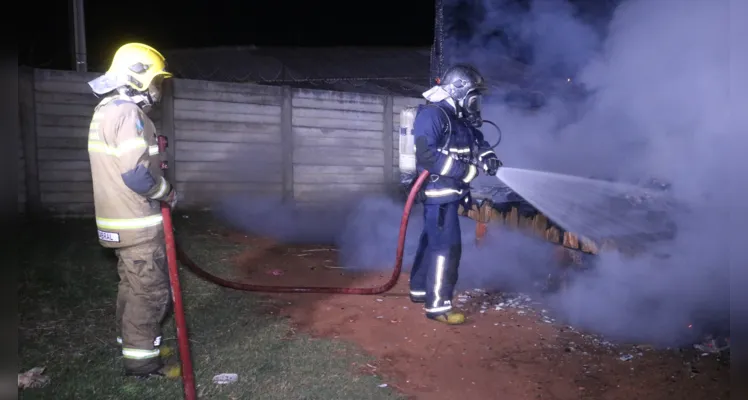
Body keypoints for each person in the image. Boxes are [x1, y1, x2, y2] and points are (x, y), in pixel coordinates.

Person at [86, 43, 179, 378]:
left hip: (116, 223)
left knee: (131, 287)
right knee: (150, 292)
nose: (157, 90)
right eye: (155, 82)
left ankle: (137, 343)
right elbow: (137, 175)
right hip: (136, 223)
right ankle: (142, 362)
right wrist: (166, 192)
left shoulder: (106, 110)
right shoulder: (128, 114)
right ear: (137, 77)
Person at [408, 63, 503, 325]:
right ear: (457, 90)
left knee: (432, 243)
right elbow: (427, 155)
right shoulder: (433, 115)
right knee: (446, 249)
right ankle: (439, 305)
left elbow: (477, 141)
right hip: (439, 194)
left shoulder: (456, 118)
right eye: (474, 95)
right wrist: (466, 171)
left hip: (449, 195)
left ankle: (419, 290)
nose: (476, 102)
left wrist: (488, 157)